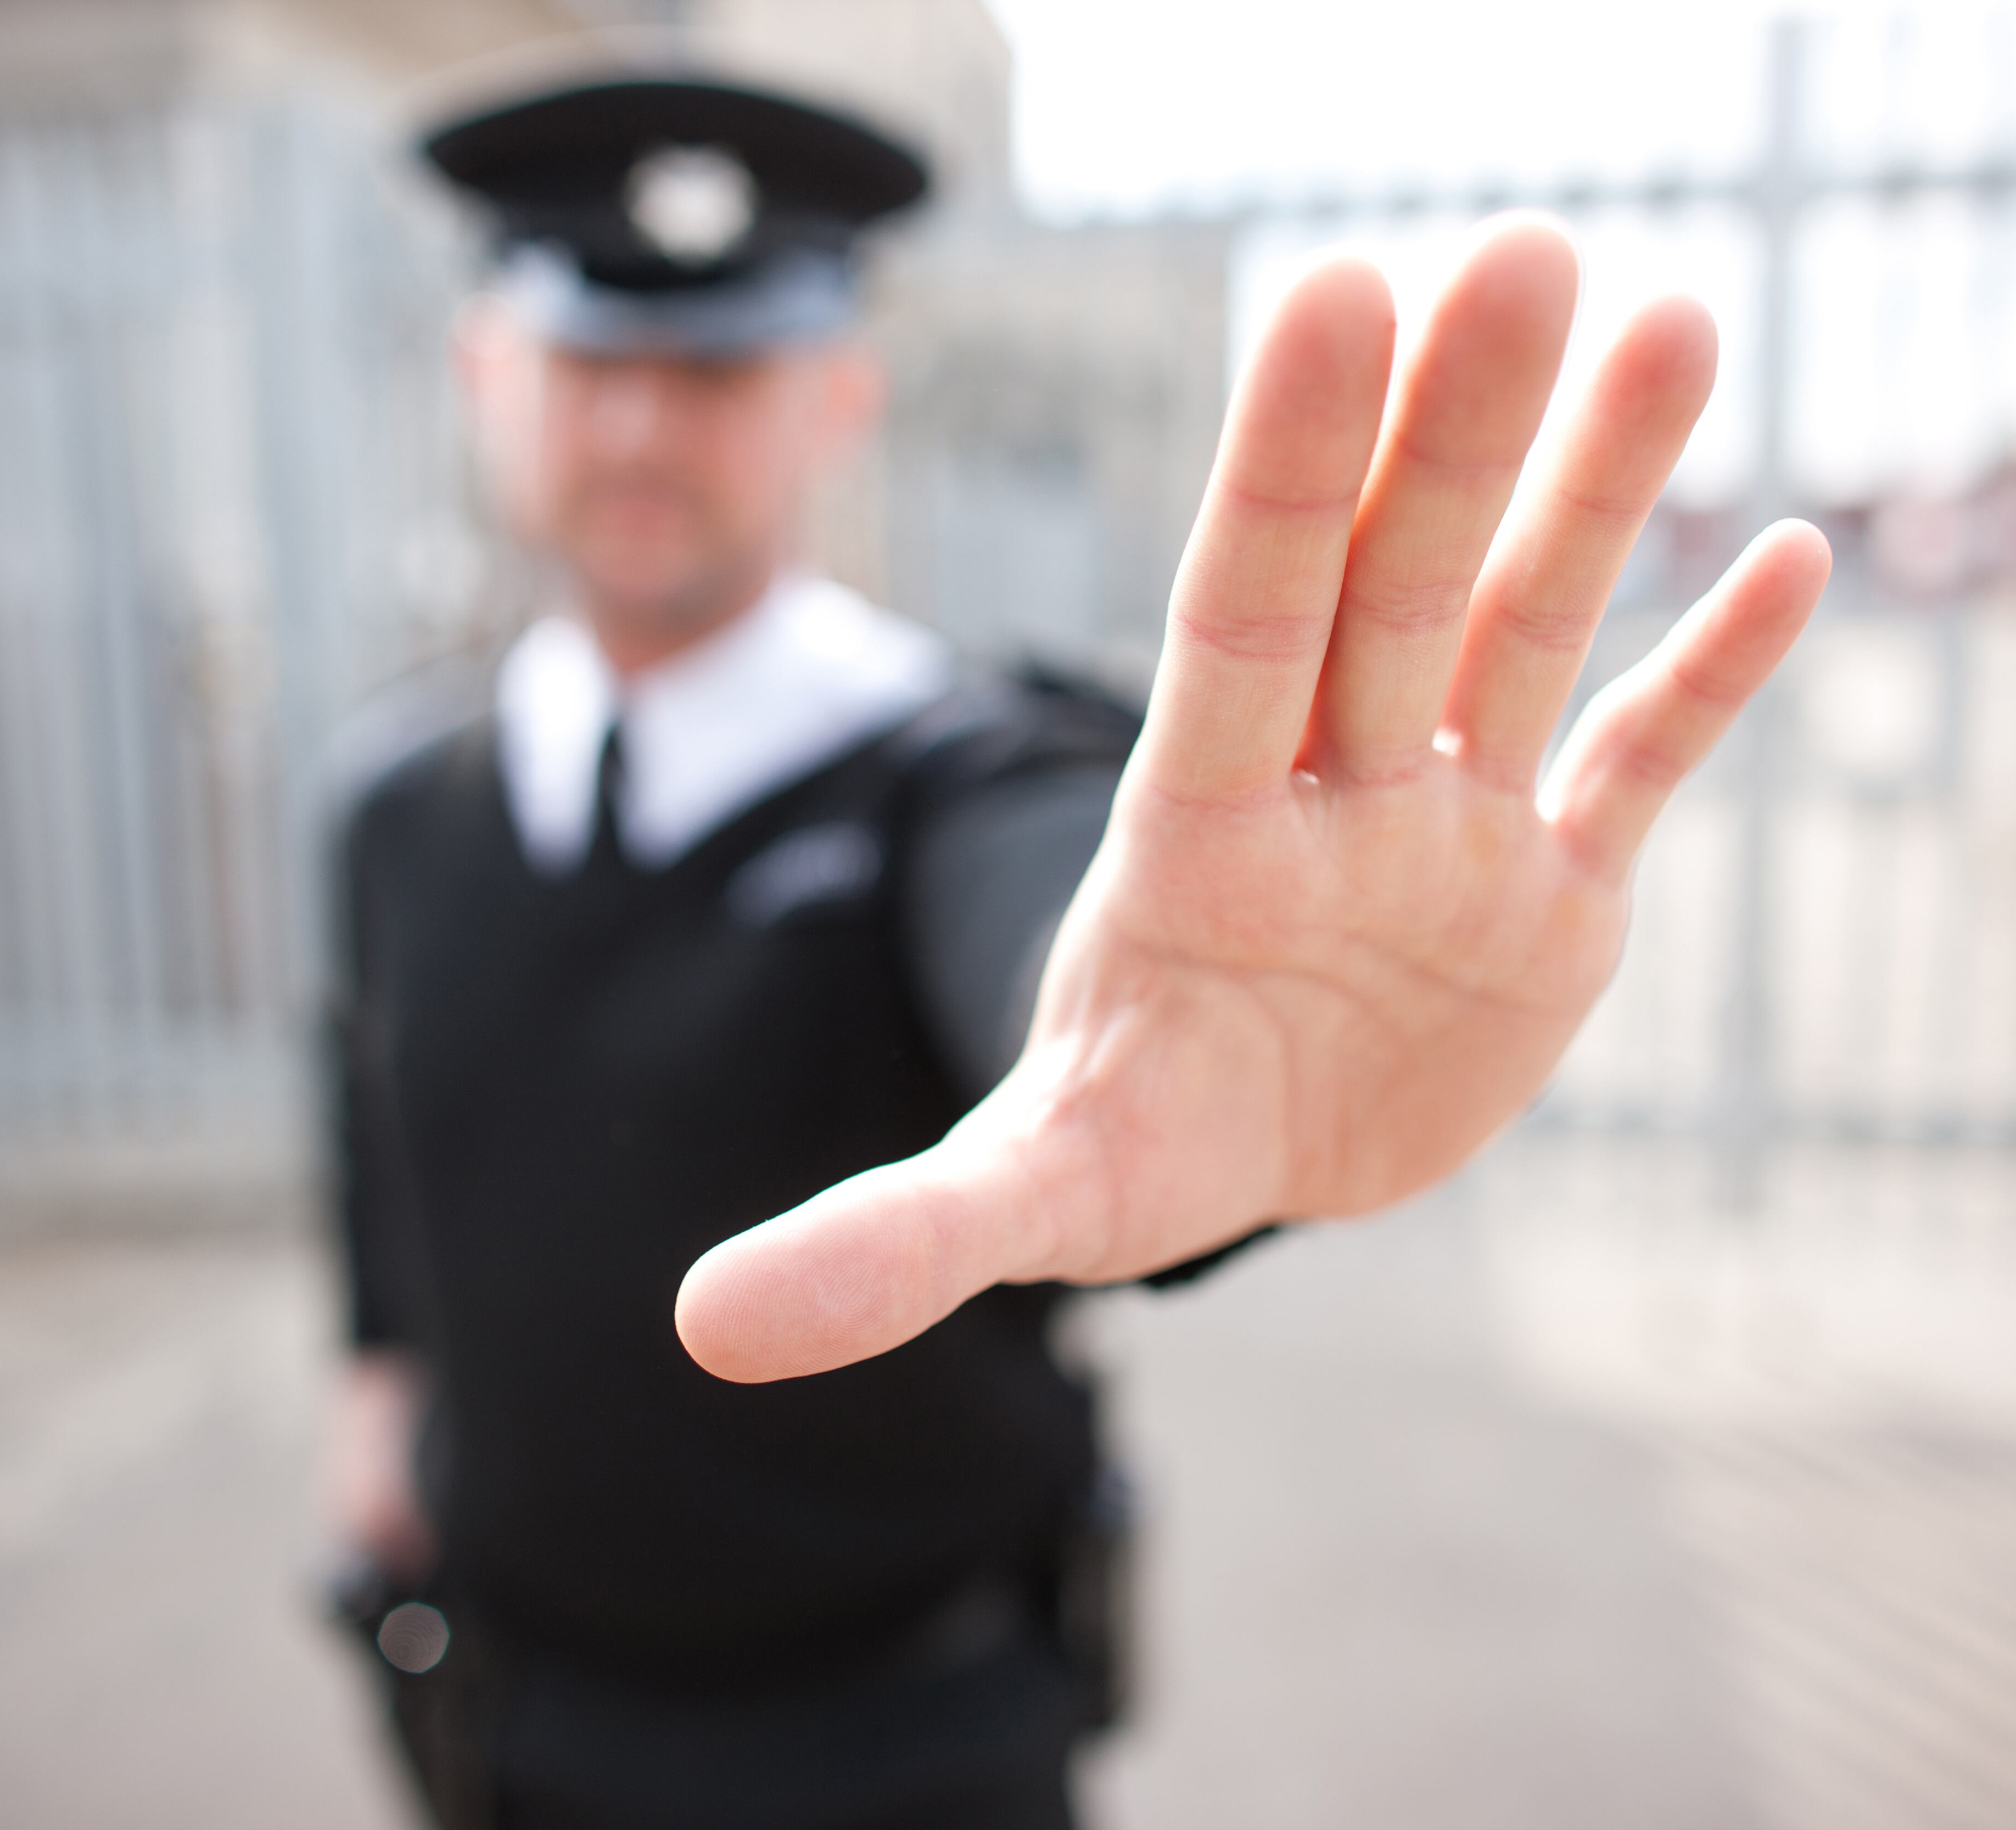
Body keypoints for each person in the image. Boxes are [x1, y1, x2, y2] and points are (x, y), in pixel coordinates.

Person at [324, 47, 1831, 1830]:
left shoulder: (952, 771)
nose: (644, 426)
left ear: (838, 400)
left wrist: (1141, 1040)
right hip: (516, 1729)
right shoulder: (396, 809)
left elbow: (1066, 941)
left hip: (910, 1746)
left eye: (718, 367)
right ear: (484, 376)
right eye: (589, 363)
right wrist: (377, 1393)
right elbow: (377, 1131)